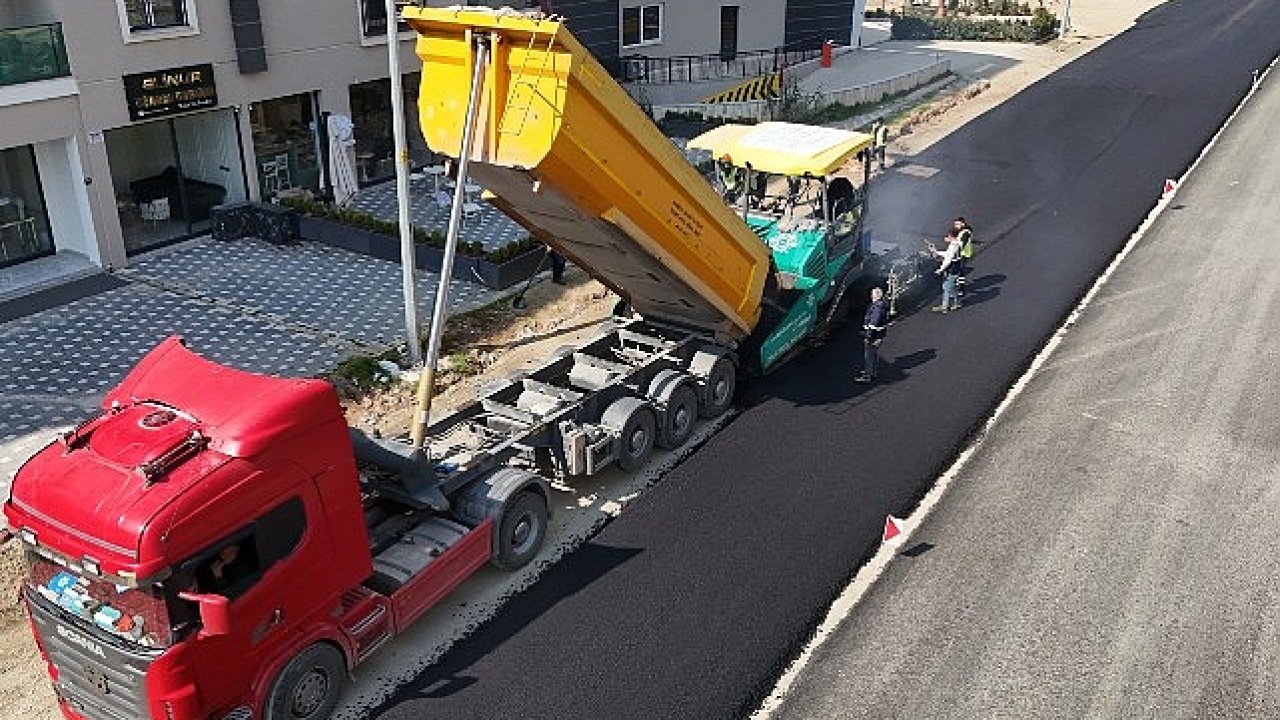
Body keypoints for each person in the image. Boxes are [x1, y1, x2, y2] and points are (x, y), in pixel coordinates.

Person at [855, 287, 890, 383]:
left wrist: (868, 336)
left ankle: (867, 376)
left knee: (869, 356)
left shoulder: (877, 308)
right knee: (874, 355)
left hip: (874, 336)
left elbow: (873, 324)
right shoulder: (882, 305)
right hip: (879, 335)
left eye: (872, 294)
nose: (871, 296)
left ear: (876, 296)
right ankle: (872, 372)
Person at [930, 230, 963, 313]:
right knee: (948, 287)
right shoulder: (956, 244)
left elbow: (948, 260)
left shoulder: (953, 247)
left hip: (952, 270)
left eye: (948, 236)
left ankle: (949, 305)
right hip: (956, 268)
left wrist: (940, 270)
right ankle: (949, 304)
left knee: (947, 287)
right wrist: (936, 252)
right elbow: (947, 254)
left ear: (952, 237)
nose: (946, 238)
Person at [953, 217, 974, 297]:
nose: (955, 226)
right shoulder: (962, 231)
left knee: (960, 272)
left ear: (962, 224)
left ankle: (961, 290)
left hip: (964, 254)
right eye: (955, 224)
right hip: (962, 254)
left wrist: (952, 241)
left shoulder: (965, 232)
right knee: (960, 272)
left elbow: (962, 244)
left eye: (957, 224)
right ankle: (959, 288)